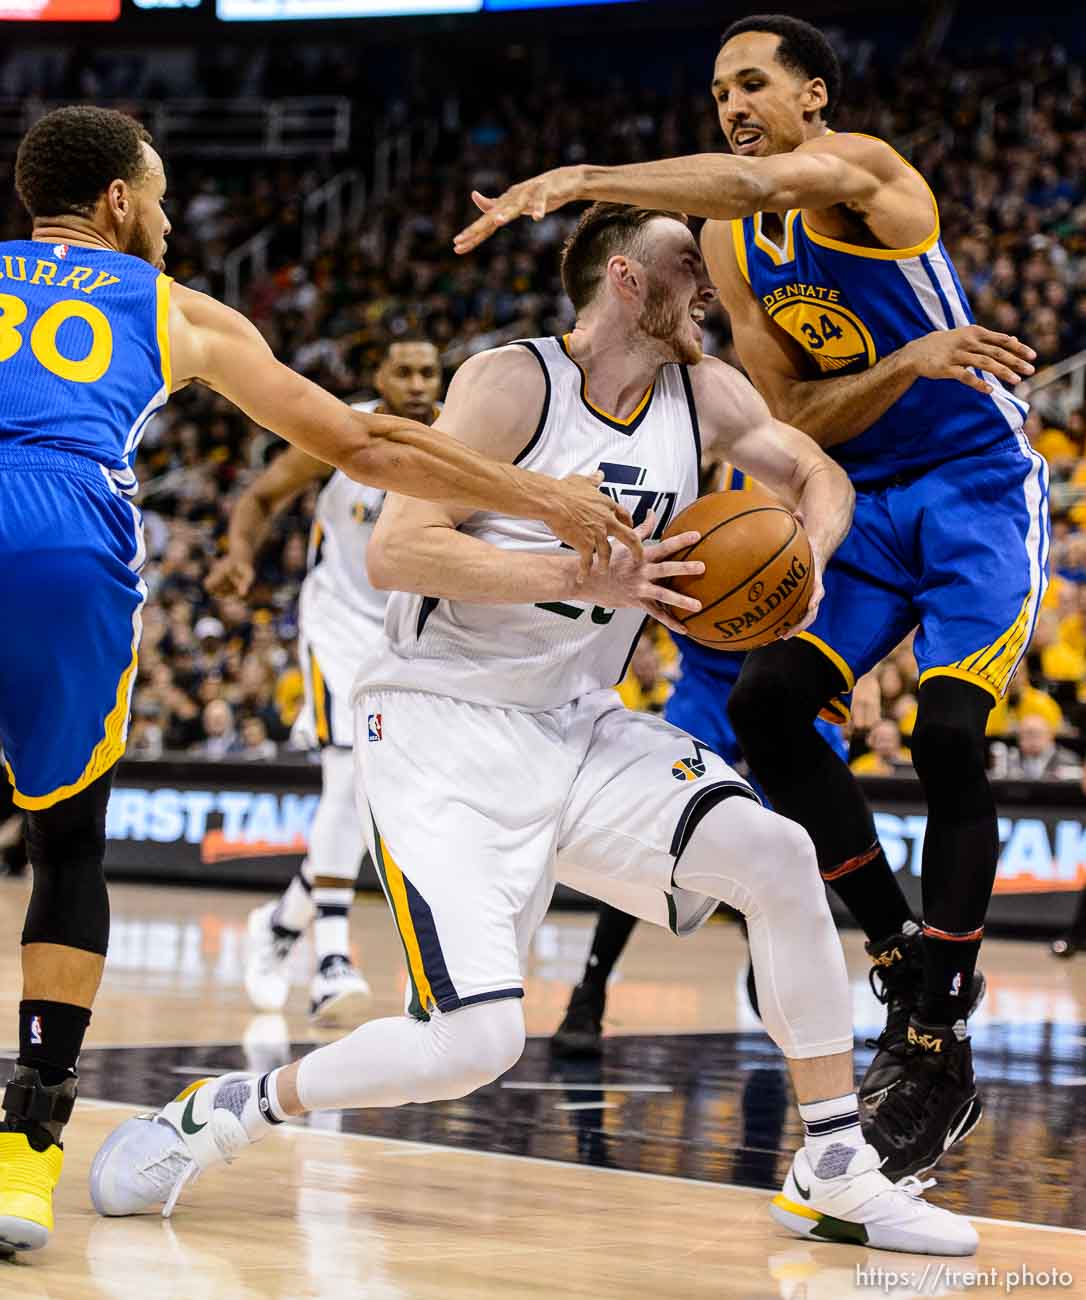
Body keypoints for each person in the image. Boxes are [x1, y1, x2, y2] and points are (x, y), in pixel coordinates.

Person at [92, 202, 976, 1257]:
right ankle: (226, 1111)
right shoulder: (511, 384)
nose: (711, 282)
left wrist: (808, 567)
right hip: (438, 721)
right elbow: (401, 551)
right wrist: (574, 570)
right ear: (624, 279)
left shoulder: (706, 392)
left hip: (579, 721)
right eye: (686, 263)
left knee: (779, 855)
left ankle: (834, 1161)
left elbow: (816, 475)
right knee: (473, 1043)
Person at [0, 104, 636, 1257]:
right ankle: (24, 1157)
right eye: (160, 194)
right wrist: (546, 496)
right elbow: (360, 442)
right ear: (117, 206)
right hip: (60, 537)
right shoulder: (173, 307)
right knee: (66, 847)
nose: (172, 216)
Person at [455, 13, 1046, 1182]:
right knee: (771, 706)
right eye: (717, 86)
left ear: (814, 96)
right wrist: (904, 363)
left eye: (753, 81)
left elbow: (754, 175)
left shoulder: (874, 178)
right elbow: (800, 421)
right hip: (865, 497)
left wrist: (586, 176)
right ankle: (893, 946)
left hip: (980, 488)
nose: (730, 100)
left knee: (947, 736)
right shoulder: (733, 247)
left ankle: (936, 1035)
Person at [552, 463, 850, 1059]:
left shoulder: (824, 482)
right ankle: (589, 992)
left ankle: (771, 973)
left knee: (791, 842)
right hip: (709, 683)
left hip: (792, 681)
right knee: (660, 831)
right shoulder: (699, 462)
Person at [209, 336, 444, 1027]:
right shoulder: (342, 431)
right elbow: (261, 495)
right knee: (349, 776)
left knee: (385, 795)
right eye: (401, 369)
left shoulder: (466, 435)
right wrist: (239, 556)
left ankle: (281, 924)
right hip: (339, 626)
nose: (416, 381)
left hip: (410, 634)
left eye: (428, 370)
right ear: (377, 374)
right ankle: (332, 958)